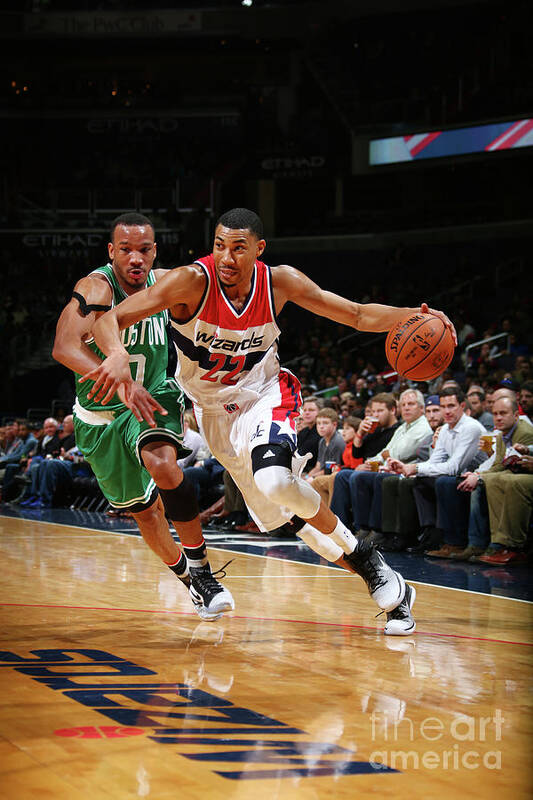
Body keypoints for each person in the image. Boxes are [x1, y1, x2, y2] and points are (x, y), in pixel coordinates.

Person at [84, 207, 456, 635]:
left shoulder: (279, 282)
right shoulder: (189, 281)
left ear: (259, 250)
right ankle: (387, 582)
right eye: (219, 245)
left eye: (238, 248)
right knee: (294, 520)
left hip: (265, 394)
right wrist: (115, 354)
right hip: (214, 415)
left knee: (277, 481)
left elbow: (355, 314)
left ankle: (371, 561)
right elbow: (109, 318)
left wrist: (415, 316)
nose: (226, 257)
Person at [52, 212, 234, 622]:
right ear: (111, 252)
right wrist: (119, 383)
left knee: (162, 464)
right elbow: (64, 347)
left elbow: (219, 285)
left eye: (145, 249)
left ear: (155, 251)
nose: (136, 258)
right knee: (146, 514)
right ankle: (191, 582)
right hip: (100, 417)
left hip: (154, 395)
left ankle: (203, 569)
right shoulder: (96, 287)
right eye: (127, 250)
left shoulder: (166, 283)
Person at [389, 387, 487, 555]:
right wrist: (408, 469)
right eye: (443, 407)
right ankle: (432, 533)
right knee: (420, 481)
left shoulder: (471, 428)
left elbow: (453, 467)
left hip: (478, 477)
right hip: (457, 477)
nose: (446, 411)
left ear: (462, 406)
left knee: (443, 481)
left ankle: (455, 542)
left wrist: (415, 467)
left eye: (451, 406)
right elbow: (434, 462)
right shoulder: (445, 430)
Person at [304, 408, 345, 481]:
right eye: (318, 423)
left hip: (335, 477)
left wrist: (311, 478)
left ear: (334, 424)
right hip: (322, 475)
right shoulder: (322, 441)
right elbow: (318, 467)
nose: (321, 426)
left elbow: (330, 470)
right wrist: (306, 477)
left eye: (325, 423)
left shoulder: (338, 441)